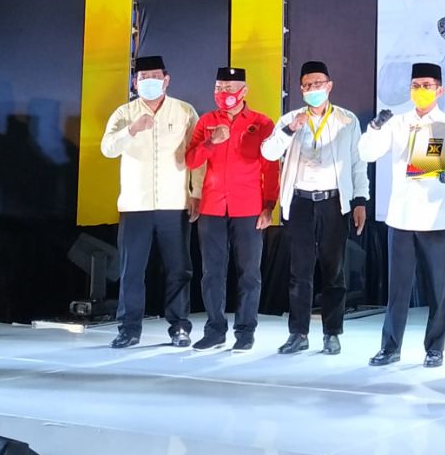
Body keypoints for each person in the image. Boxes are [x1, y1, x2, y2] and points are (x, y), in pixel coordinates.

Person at [261, 60, 369, 356]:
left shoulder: (347, 120)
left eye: (318, 84)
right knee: (300, 272)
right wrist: (288, 130)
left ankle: (332, 333)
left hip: (333, 201)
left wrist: (360, 200)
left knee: (334, 270)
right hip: (300, 202)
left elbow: (358, 163)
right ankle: (298, 333)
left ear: (329, 86)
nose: (313, 89)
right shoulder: (291, 119)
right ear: (301, 89)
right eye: (307, 85)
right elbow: (268, 152)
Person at [99, 55, 200, 349]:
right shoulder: (124, 113)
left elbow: (197, 154)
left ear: (166, 80)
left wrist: (196, 192)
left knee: (179, 269)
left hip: (174, 202)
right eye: (144, 78)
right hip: (136, 204)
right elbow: (107, 148)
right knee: (131, 270)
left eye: (155, 77)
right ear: (135, 82)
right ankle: (129, 329)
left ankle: (179, 327)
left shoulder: (184, 111)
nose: (150, 82)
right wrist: (131, 129)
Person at [359, 62, 445, 368]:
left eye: (427, 86)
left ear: (439, 90)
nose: (420, 91)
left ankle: (435, 348)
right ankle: (390, 347)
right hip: (401, 217)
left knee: (437, 289)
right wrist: (374, 127)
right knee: (398, 289)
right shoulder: (397, 123)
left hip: (435, 217)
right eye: (415, 86)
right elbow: (367, 153)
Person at [184, 66, 279, 352]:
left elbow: (271, 168)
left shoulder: (262, 123)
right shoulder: (207, 122)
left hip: (249, 207)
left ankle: (246, 331)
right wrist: (211, 142)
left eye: (229, 88)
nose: (223, 93)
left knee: (249, 273)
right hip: (212, 206)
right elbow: (191, 160)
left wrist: (269, 205)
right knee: (212, 272)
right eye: (218, 88)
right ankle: (215, 330)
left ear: (243, 91)